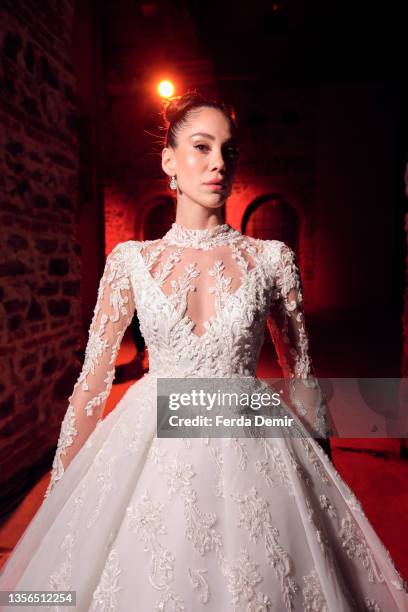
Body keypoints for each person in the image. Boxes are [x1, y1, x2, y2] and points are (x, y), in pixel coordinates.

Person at [0, 92, 407, 612]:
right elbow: (90, 383)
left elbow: (301, 378)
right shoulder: (130, 261)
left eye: (229, 151)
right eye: (201, 146)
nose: (219, 162)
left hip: (254, 436)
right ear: (169, 161)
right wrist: (62, 491)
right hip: (148, 438)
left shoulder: (272, 259)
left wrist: (325, 482)